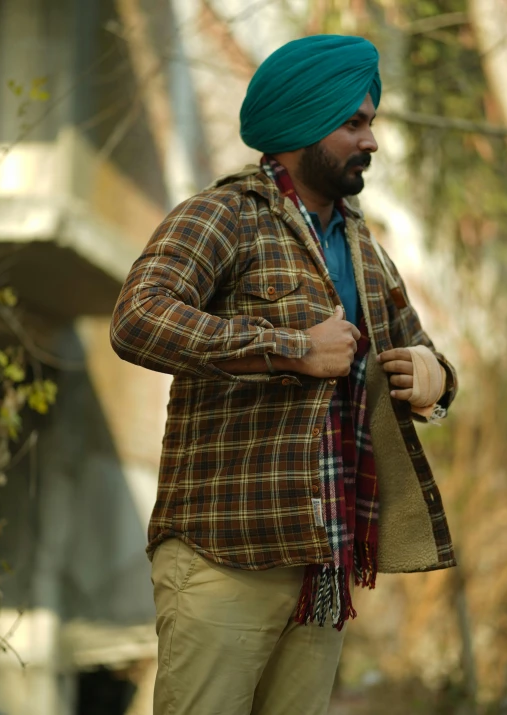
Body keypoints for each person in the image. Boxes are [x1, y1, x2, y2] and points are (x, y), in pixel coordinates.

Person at [110, 34, 458, 715]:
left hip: (323, 566)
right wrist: (292, 347)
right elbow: (138, 317)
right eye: (353, 123)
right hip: (223, 555)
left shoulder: (362, 245)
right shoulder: (224, 215)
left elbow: (424, 353)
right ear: (302, 126)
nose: (372, 140)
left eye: (371, 122)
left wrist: (434, 377)